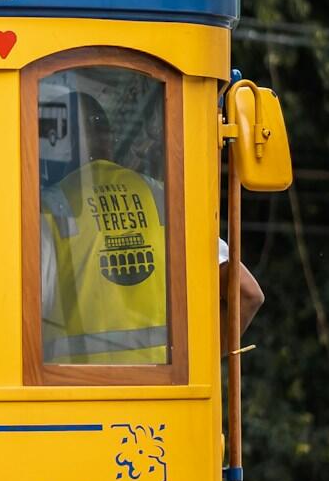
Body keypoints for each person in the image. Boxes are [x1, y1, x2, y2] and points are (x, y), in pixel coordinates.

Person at [40, 89, 261, 367]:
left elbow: (20, 318)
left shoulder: (50, 209)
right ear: (108, 138)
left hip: (73, 401)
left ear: (58, 146)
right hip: (164, 401)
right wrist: (200, 365)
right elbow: (247, 293)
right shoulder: (165, 201)